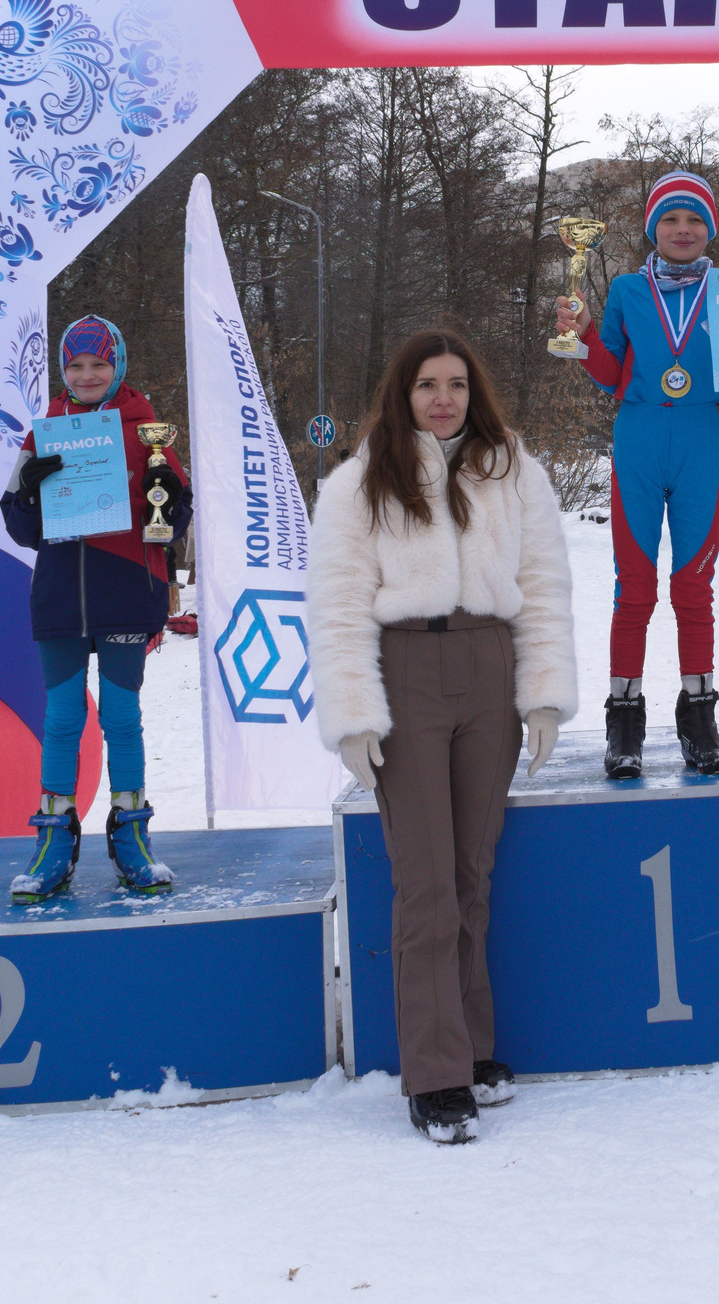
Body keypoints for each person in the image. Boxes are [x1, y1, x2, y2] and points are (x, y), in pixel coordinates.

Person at [307, 330, 577, 1144]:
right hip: (408, 671)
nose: (444, 398)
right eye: (428, 384)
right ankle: (434, 1073)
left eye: (457, 383)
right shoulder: (360, 484)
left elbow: (542, 585)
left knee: (471, 874)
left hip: (488, 668)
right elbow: (338, 602)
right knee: (424, 882)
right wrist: (353, 713)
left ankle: (474, 1046)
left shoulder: (513, 472)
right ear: (403, 393)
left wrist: (543, 697)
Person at [551, 171, 719, 779]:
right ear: (653, 229)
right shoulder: (629, 292)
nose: (682, 230)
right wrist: (581, 337)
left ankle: (699, 715)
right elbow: (611, 372)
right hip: (637, 439)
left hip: (696, 437)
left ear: (709, 230)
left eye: (694, 221)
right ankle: (625, 718)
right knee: (632, 586)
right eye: (670, 220)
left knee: (693, 586)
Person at [0, 315, 190, 902]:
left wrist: (170, 498)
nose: (87, 376)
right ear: (63, 372)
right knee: (60, 721)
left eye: (99, 364)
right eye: (76, 366)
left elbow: (172, 520)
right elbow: (18, 525)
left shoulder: (146, 429)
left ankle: (131, 836)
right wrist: (28, 488)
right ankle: (55, 839)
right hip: (59, 598)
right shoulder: (44, 431)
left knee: (121, 720)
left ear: (119, 366)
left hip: (126, 591)